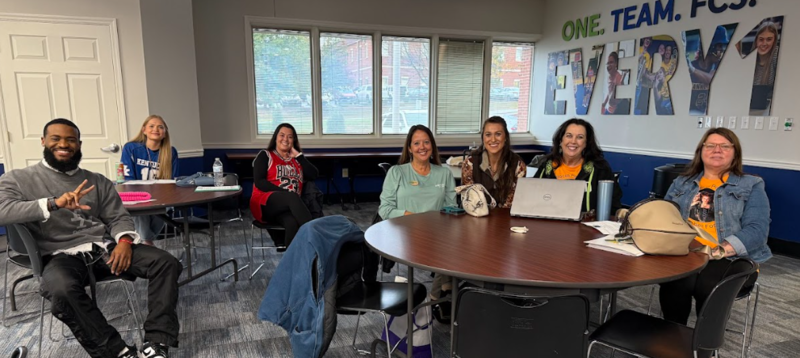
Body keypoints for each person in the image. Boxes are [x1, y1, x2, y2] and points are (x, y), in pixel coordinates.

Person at [0, 119, 181, 358]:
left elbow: (118, 217)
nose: (64, 144)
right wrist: (54, 203)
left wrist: (125, 241)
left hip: (103, 249)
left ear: (79, 144)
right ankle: (117, 352)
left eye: (71, 140)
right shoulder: (18, 179)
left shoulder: (97, 181)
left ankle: (156, 344)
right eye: (56, 139)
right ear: (43, 142)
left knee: (166, 262)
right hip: (59, 255)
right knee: (60, 289)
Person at [659, 128, 770, 333]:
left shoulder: (751, 184)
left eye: (725, 146)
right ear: (701, 151)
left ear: (734, 153)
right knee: (675, 282)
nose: (717, 150)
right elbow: (665, 218)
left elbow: (757, 230)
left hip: (731, 257)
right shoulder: (681, 182)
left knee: (709, 287)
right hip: (687, 253)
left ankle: (705, 346)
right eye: (710, 145)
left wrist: (717, 251)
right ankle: (673, 339)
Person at [378, 125, 456, 322]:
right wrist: (409, 216)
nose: (422, 146)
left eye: (426, 142)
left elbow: (451, 209)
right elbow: (384, 209)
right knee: (450, 259)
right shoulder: (397, 172)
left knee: (462, 248)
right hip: (405, 237)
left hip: (437, 236)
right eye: (417, 143)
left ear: (432, 146)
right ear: (410, 148)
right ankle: (441, 294)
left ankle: (438, 297)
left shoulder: (444, 173)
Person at [250, 123, 319, 250]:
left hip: (289, 208)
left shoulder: (296, 160)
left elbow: (314, 175)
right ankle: (317, 239)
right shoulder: (266, 155)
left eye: (290, 137)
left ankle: (291, 264)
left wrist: (299, 156)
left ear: (294, 140)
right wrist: (286, 194)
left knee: (291, 223)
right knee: (292, 197)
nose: (285, 139)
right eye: (282, 135)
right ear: (275, 138)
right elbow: (260, 182)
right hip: (265, 203)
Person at [536, 118, 622, 216]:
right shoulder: (547, 166)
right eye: (569, 136)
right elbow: (532, 199)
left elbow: (613, 206)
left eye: (580, 137)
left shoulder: (600, 168)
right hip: (548, 224)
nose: (573, 141)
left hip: (586, 227)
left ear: (586, 143)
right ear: (560, 140)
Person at [121, 115, 180, 245]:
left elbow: (172, 180)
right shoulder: (131, 148)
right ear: (144, 130)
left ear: (165, 133)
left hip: (161, 198)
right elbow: (128, 178)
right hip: (138, 196)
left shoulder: (171, 152)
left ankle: (144, 243)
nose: (156, 129)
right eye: (151, 126)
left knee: (163, 207)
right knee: (141, 210)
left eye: (160, 127)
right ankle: (147, 243)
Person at [461, 116, 526, 208]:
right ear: (483, 138)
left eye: (498, 134)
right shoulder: (470, 163)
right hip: (476, 217)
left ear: (506, 137)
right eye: (488, 135)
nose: (493, 139)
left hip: (506, 219)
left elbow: (513, 203)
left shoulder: (518, 165)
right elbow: (469, 200)